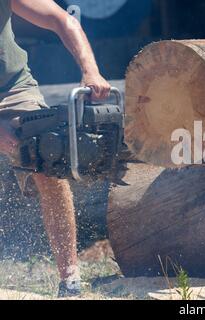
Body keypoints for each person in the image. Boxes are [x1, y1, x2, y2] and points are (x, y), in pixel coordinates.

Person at [0, 0, 111, 297]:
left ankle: (70, 280)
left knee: (50, 161)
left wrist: (91, 71)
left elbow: (64, 21)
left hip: (12, 88)